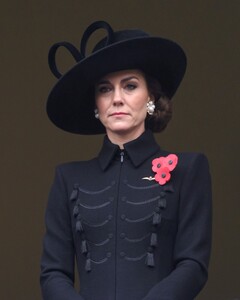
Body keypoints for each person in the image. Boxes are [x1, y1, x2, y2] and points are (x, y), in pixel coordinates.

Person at [40, 21, 212, 300]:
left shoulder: (189, 169)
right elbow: (52, 273)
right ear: (96, 104)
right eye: (105, 89)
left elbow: (193, 265)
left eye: (130, 86)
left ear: (151, 97)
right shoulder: (67, 178)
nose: (117, 99)